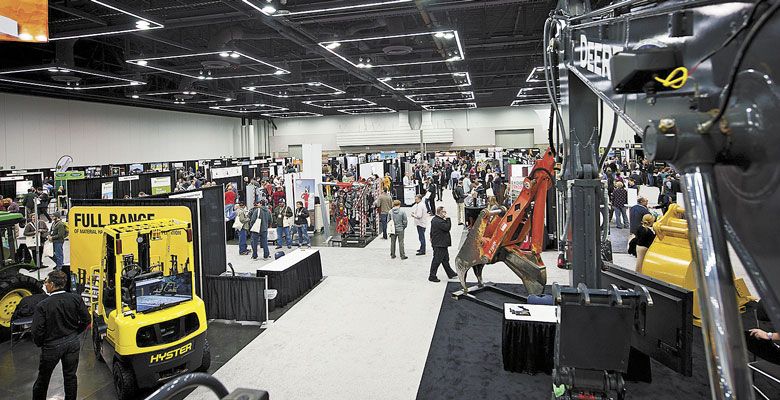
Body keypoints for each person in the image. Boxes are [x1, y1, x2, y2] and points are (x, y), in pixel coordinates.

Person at [32, 270, 90, 400]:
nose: (45, 285)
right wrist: (75, 332)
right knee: (70, 377)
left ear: (52, 284)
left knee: (43, 380)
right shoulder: (76, 298)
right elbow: (86, 319)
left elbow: (37, 331)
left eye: (45, 282)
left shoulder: (42, 305)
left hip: (52, 346)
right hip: (72, 342)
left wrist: (42, 343)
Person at [429, 206, 457, 282]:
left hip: (440, 243)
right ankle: (432, 276)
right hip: (439, 244)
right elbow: (447, 227)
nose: (445, 213)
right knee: (437, 260)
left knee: (445, 260)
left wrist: (431, 238)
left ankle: (451, 273)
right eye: (444, 212)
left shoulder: (435, 219)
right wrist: (448, 219)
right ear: (440, 212)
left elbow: (431, 231)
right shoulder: (439, 221)